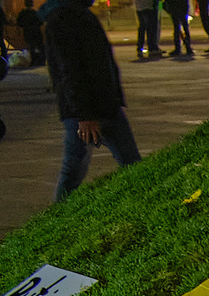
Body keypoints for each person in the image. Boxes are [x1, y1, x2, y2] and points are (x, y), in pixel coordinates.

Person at [42, 0, 138, 201]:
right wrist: (84, 115)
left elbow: (103, 61)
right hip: (86, 111)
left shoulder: (81, 14)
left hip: (105, 105)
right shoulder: (62, 19)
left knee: (132, 164)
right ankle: (60, 219)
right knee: (73, 171)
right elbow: (69, 71)